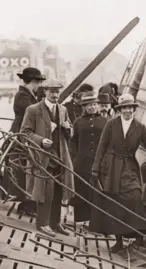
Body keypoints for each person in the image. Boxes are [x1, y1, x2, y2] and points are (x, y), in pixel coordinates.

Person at [90, 93, 146, 253]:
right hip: (111, 166)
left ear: (134, 109)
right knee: (114, 202)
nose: (127, 111)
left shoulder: (140, 128)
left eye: (130, 108)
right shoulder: (111, 125)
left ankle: (139, 234)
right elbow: (102, 146)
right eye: (124, 108)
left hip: (129, 167)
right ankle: (118, 240)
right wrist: (95, 168)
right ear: (120, 110)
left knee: (134, 196)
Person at [20, 79, 75, 237]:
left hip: (60, 157)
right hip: (42, 158)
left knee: (58, 190)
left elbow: (70, 134)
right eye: (52, 92)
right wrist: (41, 141)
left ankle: (55, 223)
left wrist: (67, 129)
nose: (55, 95)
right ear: (45, 92)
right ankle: (42, 223)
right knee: (46, 190)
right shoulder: (33, 110)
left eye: (57, 92)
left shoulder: (63, 110)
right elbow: (25, 133)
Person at [7, 67, 46, 216]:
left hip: (23, 134)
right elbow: (33, 113)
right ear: (32, 82)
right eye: (37, 82)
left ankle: (28, 203)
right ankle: (26, 204)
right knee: (26, 170)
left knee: (27, 170)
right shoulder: (22, 96)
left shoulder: (27, 94)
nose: (38, 86)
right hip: (21, 136)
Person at [69, 92, 108, 223]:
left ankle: (95, 221)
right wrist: (73, 158)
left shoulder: (105, 122)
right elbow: (74, 141)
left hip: (99, 161)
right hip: (82, 161)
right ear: (84, 107)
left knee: (97, 190)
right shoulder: (78, 122)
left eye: (95, 104)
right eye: (89, 105)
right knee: (81, 188)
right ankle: (81, 219)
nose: (92, 107)